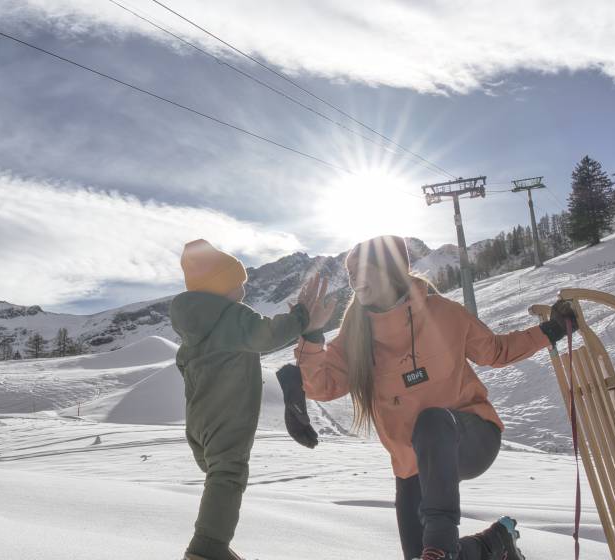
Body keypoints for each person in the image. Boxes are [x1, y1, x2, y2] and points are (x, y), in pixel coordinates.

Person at [279, 235, 577, 560]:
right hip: (413, 463)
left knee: (433, 422)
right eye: (350, 272)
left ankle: (441, 544)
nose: (353, 278)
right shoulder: (356, 333)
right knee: (421, 556)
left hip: (471, 437)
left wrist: (550, 331)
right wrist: (311, 337)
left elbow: (497, 351)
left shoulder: (443, 313)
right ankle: (495, 543)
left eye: (362, 269)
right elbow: (323, 386)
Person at [169, 239, 327, 560]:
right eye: (236, 284)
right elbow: (267, 334)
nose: (242, 291)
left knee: (220, 472)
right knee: (229, 473)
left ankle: (213, 544)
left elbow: (185, 366)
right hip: (226, 415)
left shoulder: (193, 327)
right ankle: (207, 548)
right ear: (219, 286)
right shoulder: (229, 316)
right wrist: (301, 317)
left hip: (199, 420)